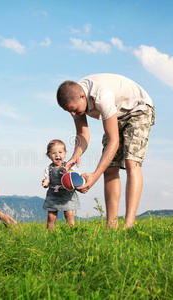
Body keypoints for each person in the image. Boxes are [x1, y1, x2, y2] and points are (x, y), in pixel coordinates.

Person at [56, 73, 155, 229]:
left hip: (138, 108)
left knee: (131, 162)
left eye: (73, 110)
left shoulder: (101, 96)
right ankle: (112, 225)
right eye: (69, 112)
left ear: (83, 96)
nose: (73, 114)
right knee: (110, 168)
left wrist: (94, 177)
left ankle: (129, 225)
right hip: (117, 113)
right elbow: (82, 134)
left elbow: (113, 142)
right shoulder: (75, 99)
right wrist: (76, 155)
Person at [41, 139, 79, 230]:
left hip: (67, 195)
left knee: (69, 214)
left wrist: (71, 176)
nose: (57, 155)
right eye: (54, 153)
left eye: (60, 152)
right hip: (53, 195)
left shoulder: (68, 166)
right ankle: (50, 233)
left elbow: (73, 176)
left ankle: (71, 232)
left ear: (65, 153)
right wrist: (46, 183)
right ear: (49, 155)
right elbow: (47, 179)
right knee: (51, 216)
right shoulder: (48, 168)